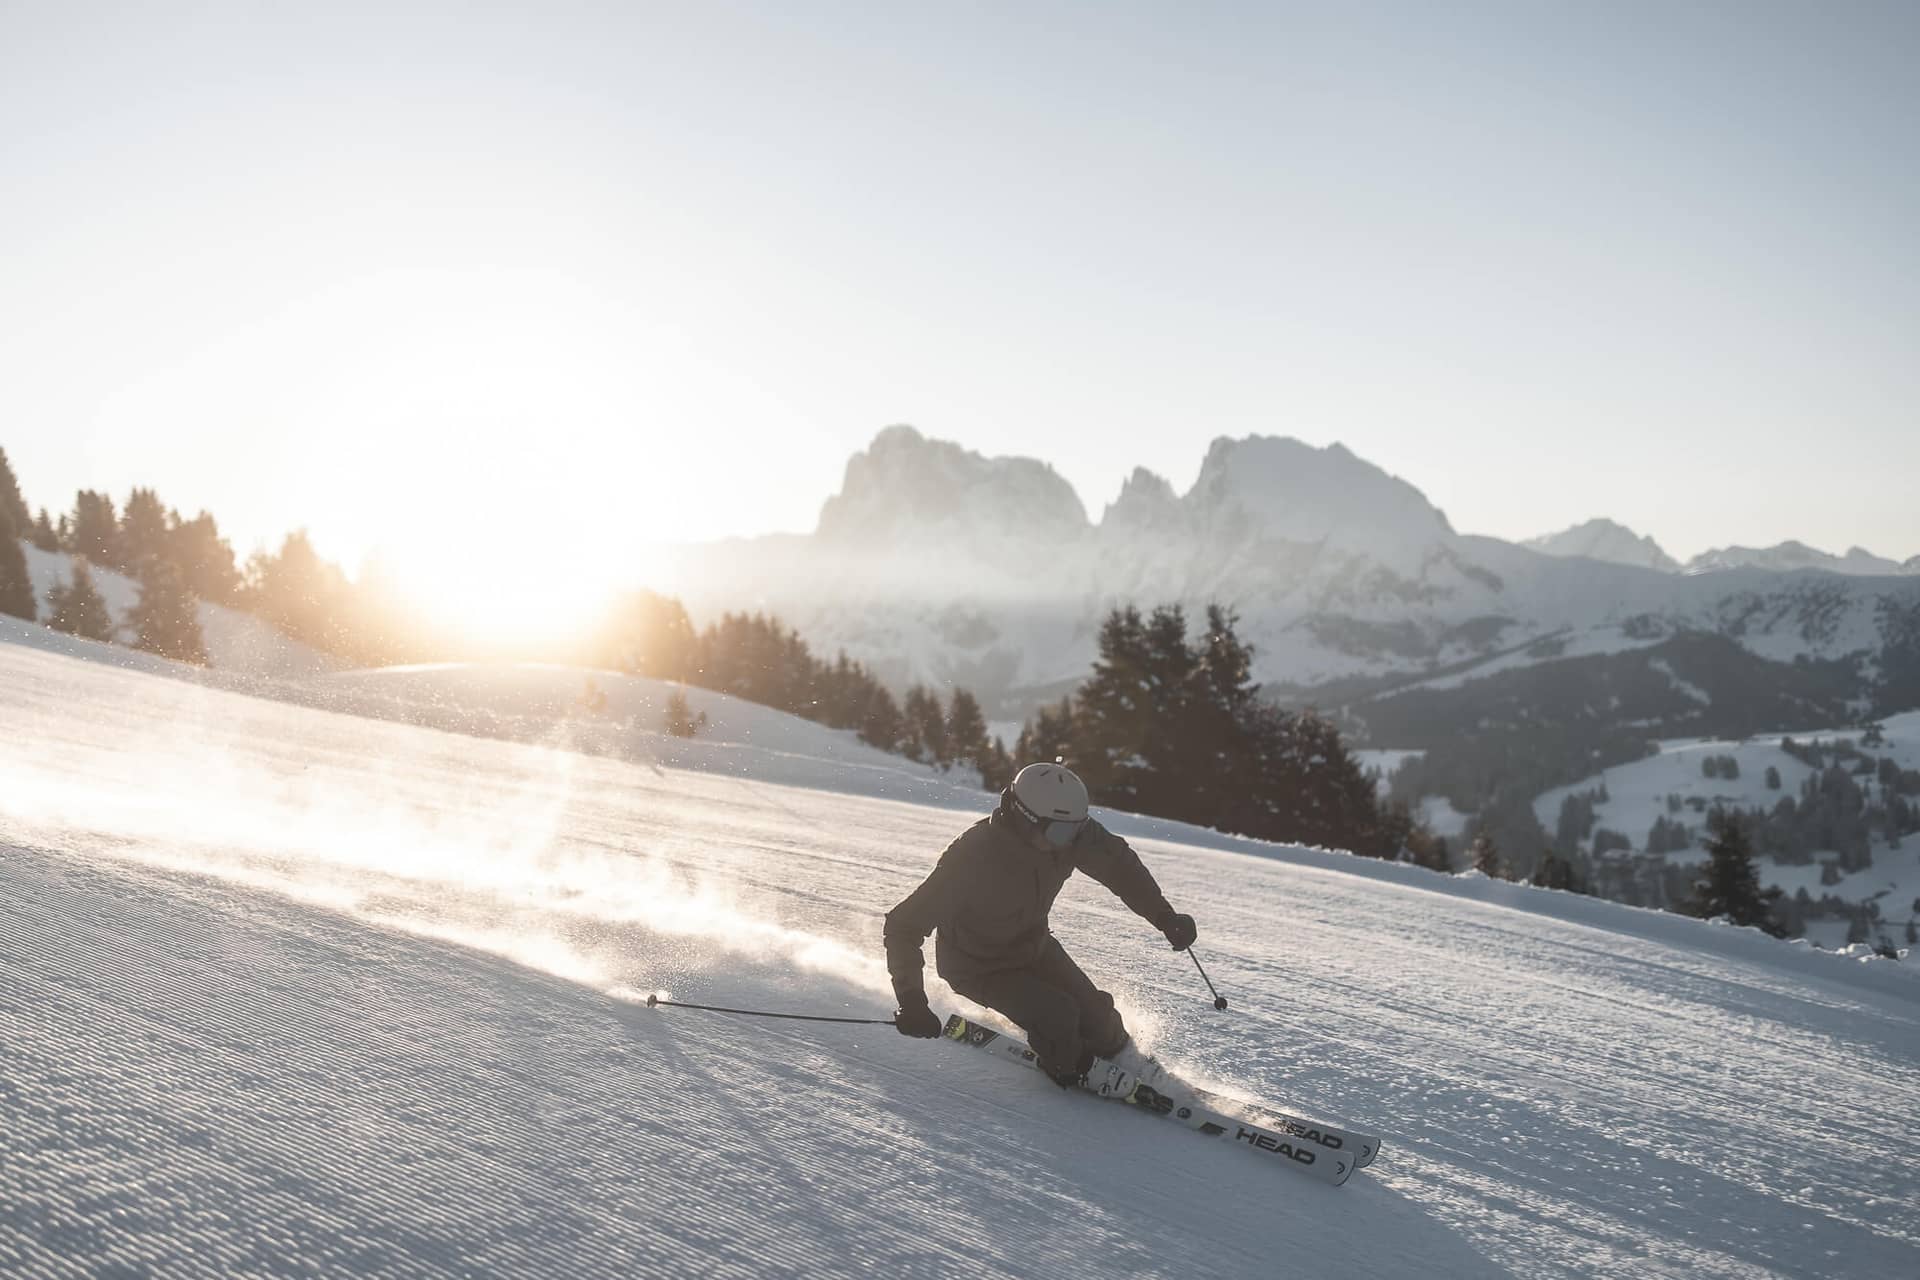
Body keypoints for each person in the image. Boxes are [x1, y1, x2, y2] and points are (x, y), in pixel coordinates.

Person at [884, 761, 1199, 1096]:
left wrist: (1164, 917)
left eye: (1076, 829)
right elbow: (904, 926)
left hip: (1033, 946)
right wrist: (912, 1000)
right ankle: (1072, 1069)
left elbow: (1120, 867)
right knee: (1058, 1016)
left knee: (1098, 1015)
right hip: (977, 965)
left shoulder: (1068, 834)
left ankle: (1124, 1059)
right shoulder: (973, 855)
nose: (1069, 841)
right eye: (1060, 832)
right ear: (1023, 817)